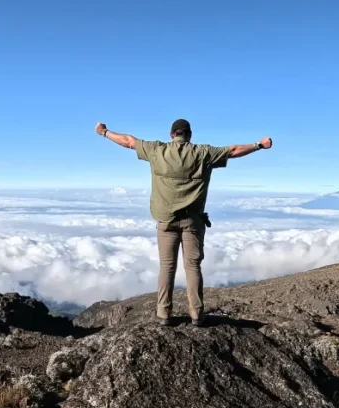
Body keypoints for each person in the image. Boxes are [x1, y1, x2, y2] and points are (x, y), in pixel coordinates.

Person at [95, 118, 272, 326]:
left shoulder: (156, 150)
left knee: (167, 267)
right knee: (193, 267)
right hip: (193, 222)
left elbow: (128, 141)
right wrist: (259, 145)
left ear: (172, 135)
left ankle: (163, 314)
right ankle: (197, 315)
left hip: (165, 221)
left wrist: (104, 133)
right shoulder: (202, 153)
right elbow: (232, 151)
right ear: (189, 135)